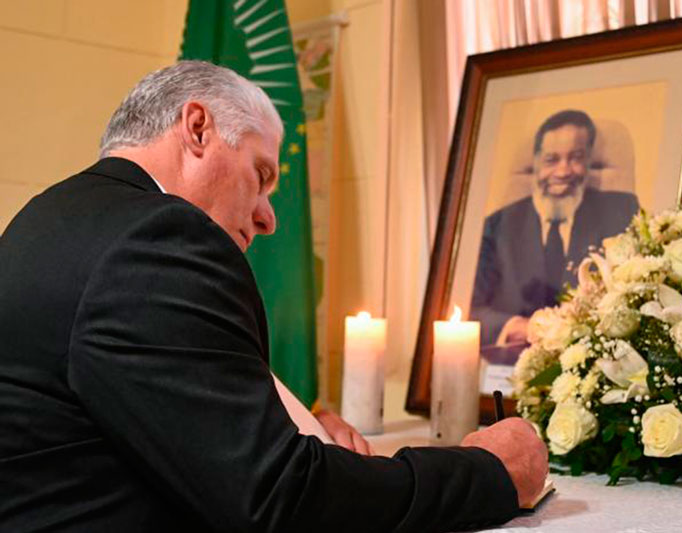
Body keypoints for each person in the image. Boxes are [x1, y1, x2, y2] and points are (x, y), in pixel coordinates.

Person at [0, 61, 548, 532]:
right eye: (260, 175)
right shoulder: (159, 238)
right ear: (197, 128)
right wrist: (489, 470)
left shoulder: (47, 219)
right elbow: (279, 499)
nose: (267, 217)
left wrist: (290, 435)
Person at [471, 110, 639, 346]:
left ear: (589, 160)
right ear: (536, 162)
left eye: (576, 158)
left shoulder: (622, 212)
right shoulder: (497, 225)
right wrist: (523, 328)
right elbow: (469, 310)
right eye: (552, 160)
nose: (563, 172)